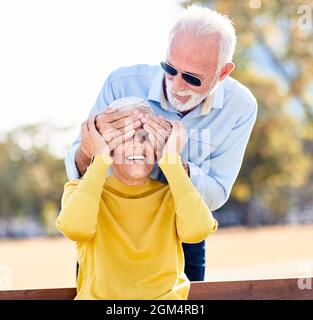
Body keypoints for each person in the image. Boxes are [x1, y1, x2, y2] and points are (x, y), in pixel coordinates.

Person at [65, 5, 257, 281]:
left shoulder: (240, 108)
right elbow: (76, 168)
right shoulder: (122, 83)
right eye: (170, 68)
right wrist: (90, 148)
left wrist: (173, 162)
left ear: (223, 72)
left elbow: (216, 194)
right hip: (108, 224)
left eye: (192, 78)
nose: (177, 85)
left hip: (181, 228)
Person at [56, 97, 218, 300]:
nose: (138, 146)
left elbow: (198, 231)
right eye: (125, 138)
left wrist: (171, 162)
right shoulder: (81, 191)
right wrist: (100, 160)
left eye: (145, 138)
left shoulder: (173, 194)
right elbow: (75, 228)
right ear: (107, 145)